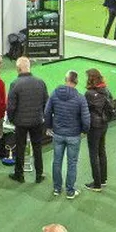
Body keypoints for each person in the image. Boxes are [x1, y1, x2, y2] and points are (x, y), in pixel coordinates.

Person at [45, 71, 90, 199]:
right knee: (72, 163)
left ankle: (57, 188)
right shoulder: (80, 98)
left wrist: (49, 127)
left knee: (57, 162)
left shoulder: (54, 94)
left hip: (58, 134)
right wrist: (84, 131)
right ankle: (70, 191)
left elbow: (47, 112)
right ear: (76, 81)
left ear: (66, 80)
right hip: (74, 135)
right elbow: (86, 119)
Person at [6, 56, 48, 183]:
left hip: (21, 122)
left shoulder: (15, 84)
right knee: (37, 147)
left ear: (18, 69)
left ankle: (19, 174)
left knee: (20, 148)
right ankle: (39, 174)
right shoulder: (40, 82)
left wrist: (11, 119)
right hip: (37, 121)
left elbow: (11, 106)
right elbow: (46, 103)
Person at [84, 68, 113, 192]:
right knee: (101, 151)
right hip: (104, 125)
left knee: (93, 153)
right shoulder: (106, 90)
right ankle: (103, 179)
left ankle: (96, 184)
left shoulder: (89, 94)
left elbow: (84, 110)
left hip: (94, 126)